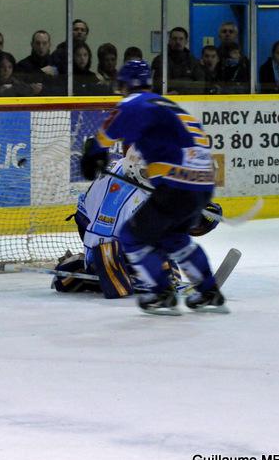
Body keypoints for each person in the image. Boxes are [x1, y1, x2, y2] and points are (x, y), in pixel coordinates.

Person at [80, 60, 224, 313]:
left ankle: (160, 293)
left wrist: (93, 153)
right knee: (175, 238)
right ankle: (208, 291)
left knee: (131, 237)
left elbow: (105, 136)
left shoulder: (133, 103)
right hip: (206, 180)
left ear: (125, 84)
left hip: (176, 184)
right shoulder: (169, 105)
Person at [54, 146, 221, 298]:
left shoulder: (140, 171)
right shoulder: (116, 203)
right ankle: (72, 268)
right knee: (117, 284)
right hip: (95, 228)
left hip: (126, 222)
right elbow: (98, 250)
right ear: (134, 169)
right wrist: (103, 273)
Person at [150, 27, 203, 94]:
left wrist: (179, 92)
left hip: (189, 99)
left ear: (186, 41)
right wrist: (187, 82)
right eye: (174, 39)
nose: (178, 42)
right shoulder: (160, 60)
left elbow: (200, 86)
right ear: (169, 40)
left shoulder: (193, 62)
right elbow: (158, 84)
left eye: (181, 39)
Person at [15, 30, 58, 95]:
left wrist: (44, 90)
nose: (41, 46)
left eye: (44, 43)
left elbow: (64, 88)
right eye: (38, 43)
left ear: (49, 45)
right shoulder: (22, 66)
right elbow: (17, 88)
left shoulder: (56, 64)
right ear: (32, 44)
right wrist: (29, 89)